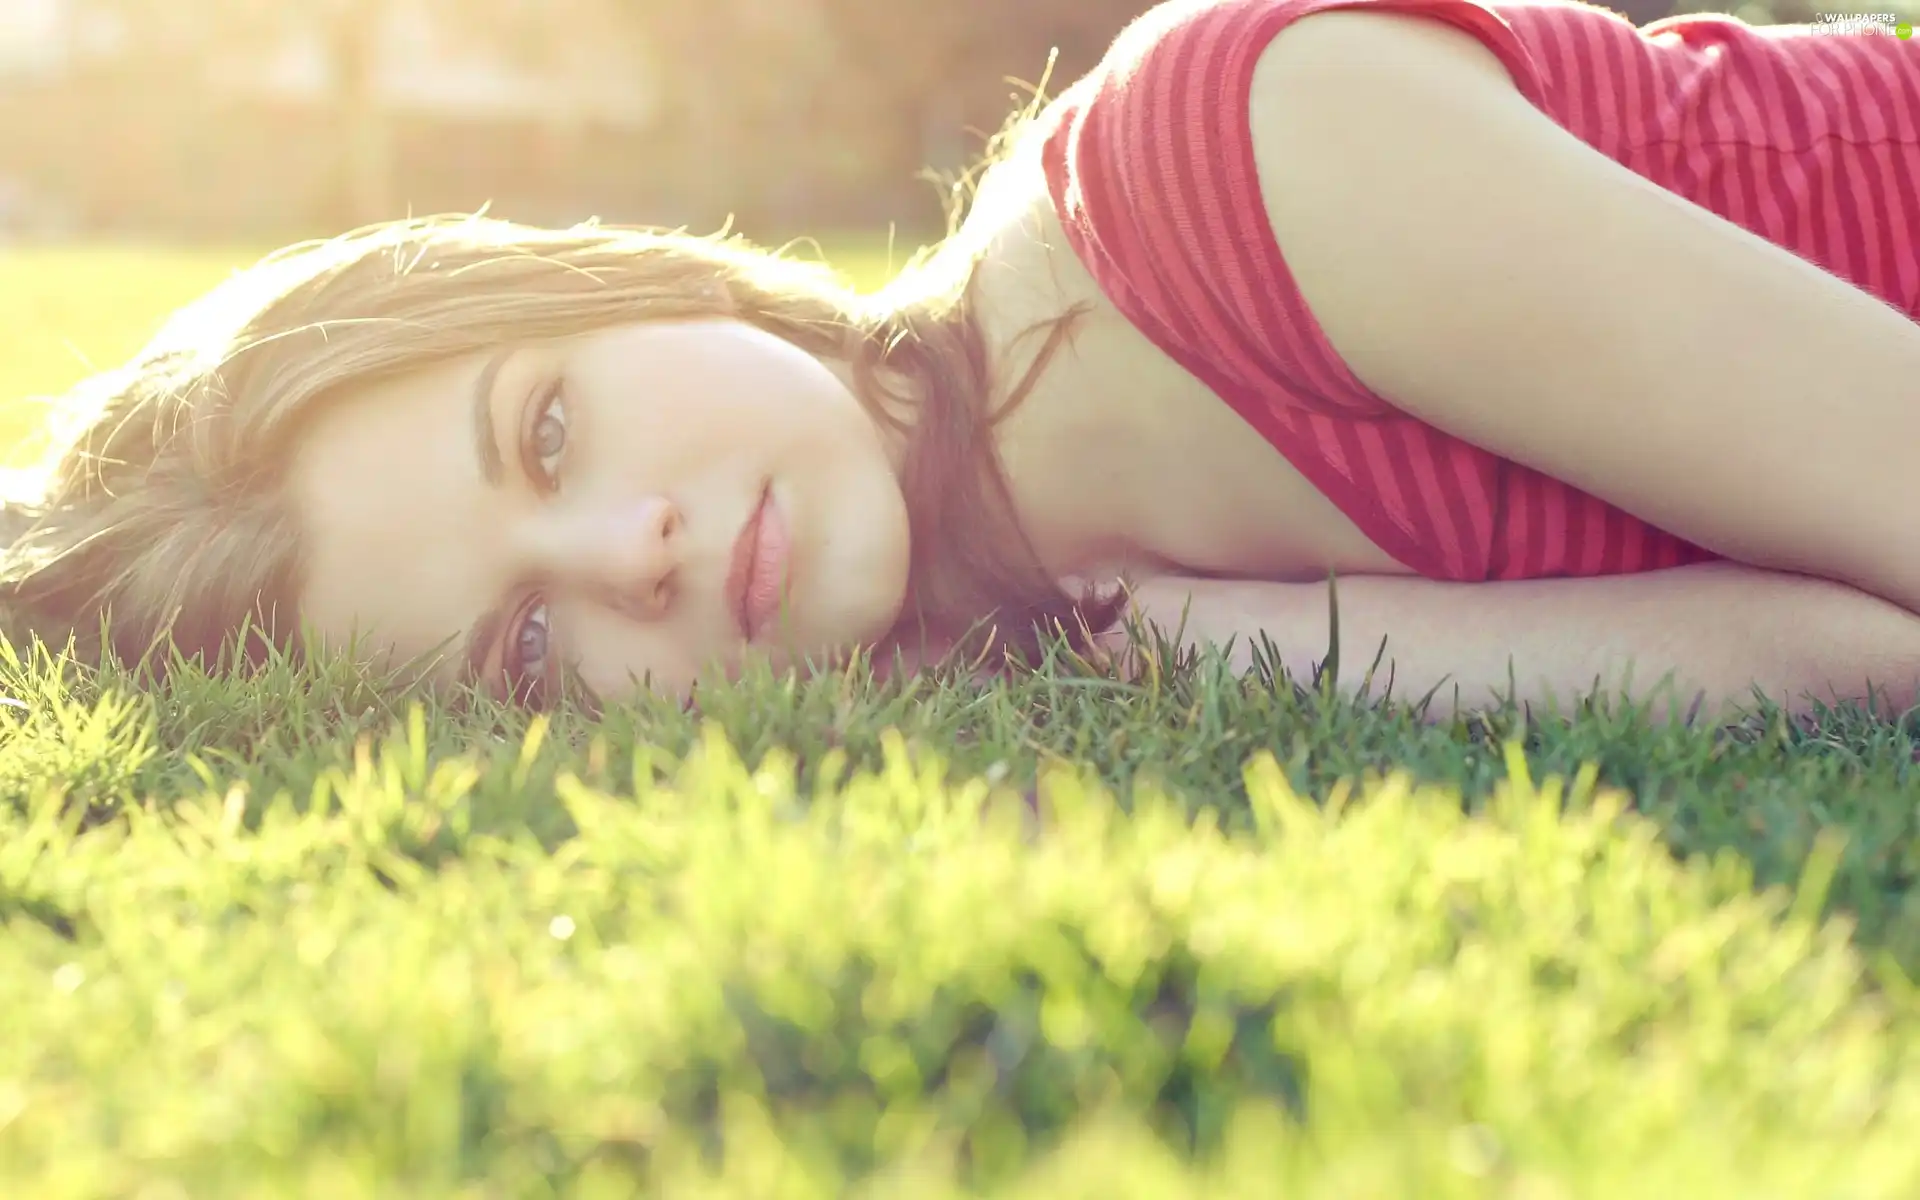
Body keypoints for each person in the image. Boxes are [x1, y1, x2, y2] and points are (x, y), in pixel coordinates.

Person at [7, 0, 1920, 723]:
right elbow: (1859, 673)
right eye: (531, 647)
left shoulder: (1236, 166)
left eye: (553, 428)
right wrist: (1267, 640)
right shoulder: (1060, 627)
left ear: (644, 283)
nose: (632, 557)